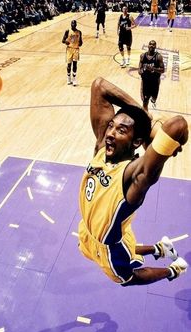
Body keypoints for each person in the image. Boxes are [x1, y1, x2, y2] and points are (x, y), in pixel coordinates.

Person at [78, 76, 188, 286]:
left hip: (108, 246)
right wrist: (142, 115)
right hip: (87, 230)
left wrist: (152, 130)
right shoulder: (102, 147)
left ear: (137, 142)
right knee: (128, 246)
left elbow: (178, 126)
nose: (110, 133)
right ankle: (160, 249)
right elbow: (99, 85)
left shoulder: (134, 176)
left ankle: (173, 270)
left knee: (128, 277)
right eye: (111, 125)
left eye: (121, 130)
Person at [138, 40, 165, 111]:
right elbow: (139, 68)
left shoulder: (158, 57)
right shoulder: (143, 56)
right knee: (145, 101)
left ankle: (153, 100)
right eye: (150, 44)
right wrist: (140, 71)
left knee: (153, 98)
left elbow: (162, 70)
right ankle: (145, 117)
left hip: (155, 82)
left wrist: (152, 68)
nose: (152, 46)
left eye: (153, 45)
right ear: (148, 45)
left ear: (155, 46)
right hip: (145, 82)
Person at [62, 20, 83, 86]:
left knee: (75, 64)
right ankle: (68, 78)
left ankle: (74, 79)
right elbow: (62, 40)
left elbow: (81, 42)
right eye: (72, 24)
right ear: (71, 24)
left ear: (76, 25)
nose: (73, 25)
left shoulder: (79, 32)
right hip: (69, 49)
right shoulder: (67, 31)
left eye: (74, 24)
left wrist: (80, 43)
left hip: (76, 49)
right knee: (69, 65)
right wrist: (66, 42)